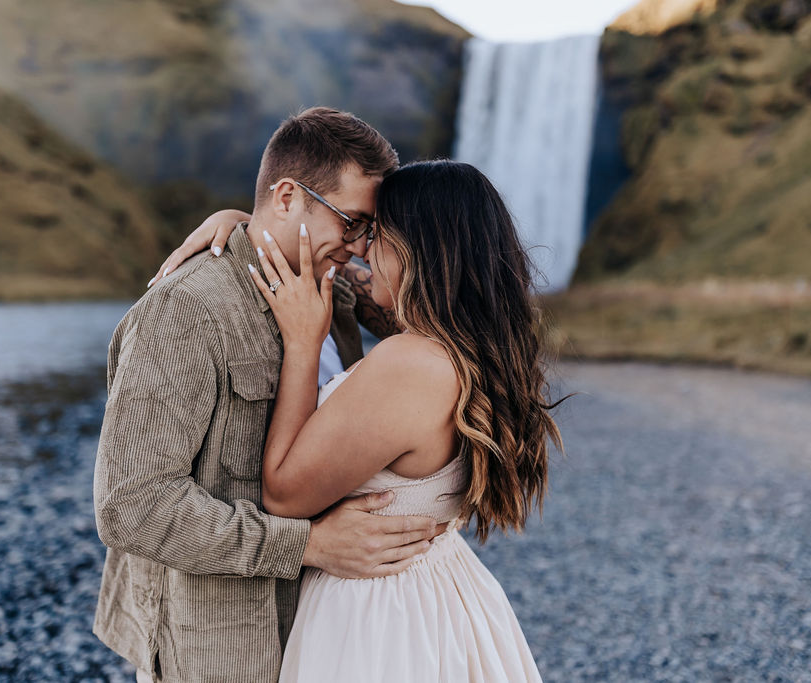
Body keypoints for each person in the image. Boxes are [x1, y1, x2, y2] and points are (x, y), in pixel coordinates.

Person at [168, 159, 563, 681]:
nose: (362, 250)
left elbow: (285, 494)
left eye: (377, 235)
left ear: (420, 248)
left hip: (378, 617)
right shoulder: (473, 346)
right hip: (436, 592)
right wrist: (251, 224)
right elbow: (350, 276)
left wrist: (305, 343)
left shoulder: (411, 364)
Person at [92, 107, 443, 683]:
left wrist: (240, 222)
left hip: (331, 636)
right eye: (350, 222)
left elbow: (444, 318)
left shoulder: (337, 288)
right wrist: (308, 545)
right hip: (223, 646)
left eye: (369, 231)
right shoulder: (186, 311)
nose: (358, 247)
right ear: (285, 197)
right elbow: (131, 506)